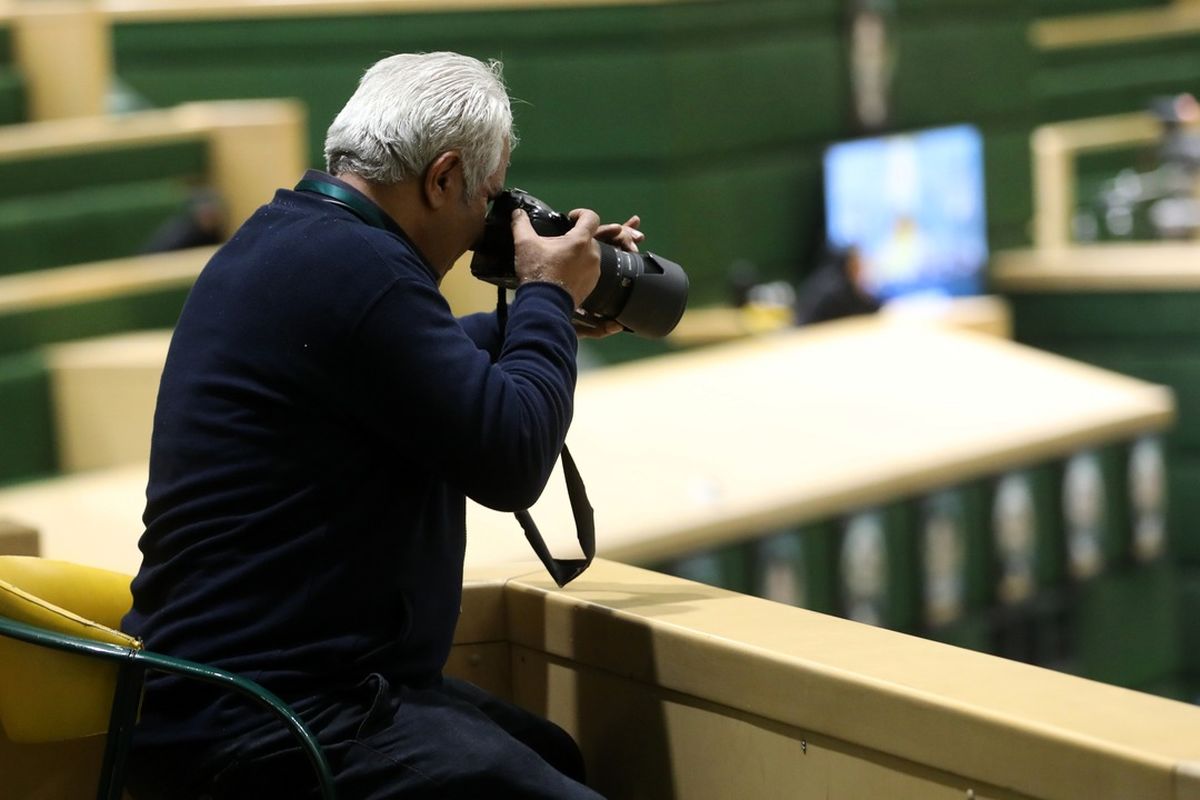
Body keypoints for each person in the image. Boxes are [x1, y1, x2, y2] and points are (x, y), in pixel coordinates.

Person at [122, 51, 642, 799]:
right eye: (487, 198)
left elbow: (412, 362)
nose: (485, 227)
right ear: (442, 178)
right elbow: (512, 457)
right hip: (269, 718)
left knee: (554, 754)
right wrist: (546, 295)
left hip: (233, 694)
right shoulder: (363, 271)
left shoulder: (292, 238)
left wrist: (546, 315)